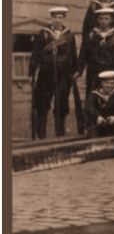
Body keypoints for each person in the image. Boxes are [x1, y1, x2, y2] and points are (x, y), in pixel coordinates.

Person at [29, 7, 78, 139]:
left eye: (60, 17)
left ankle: (60, 135)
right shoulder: (43, 34)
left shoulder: (68, 35)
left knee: (61, 104)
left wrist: (74, 72)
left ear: (64, 19)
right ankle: (41, 136)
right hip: (46, 73)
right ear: (51, 18)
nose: (57, 20)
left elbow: (73, 55)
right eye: (55, 17)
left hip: (64, 74)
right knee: (42, 104)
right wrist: (31, 72)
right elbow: (36, 54)